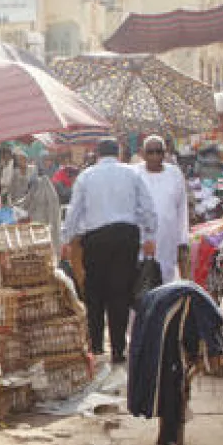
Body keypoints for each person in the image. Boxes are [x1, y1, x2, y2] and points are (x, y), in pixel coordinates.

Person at [62, 138, 158, 364]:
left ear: (97, 154)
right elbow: (147, 207)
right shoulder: (132, 174)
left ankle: (96, 345)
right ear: (119, 153)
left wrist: (66, 240)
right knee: (120, 292)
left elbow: (74, 211)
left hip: (96, 238)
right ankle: (118, 348)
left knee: (95, 291)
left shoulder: (86, 176)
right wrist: (150, 236)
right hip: (126, 237)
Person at [133, 135, 191, 283]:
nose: (155, 156)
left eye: (159, 151)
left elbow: (181, 208)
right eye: (150, 152)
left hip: (167, 238)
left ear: (165, 153)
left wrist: (182, 239)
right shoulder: (134, 174)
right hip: (141, 239)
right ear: (142, 153)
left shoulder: (174, 174)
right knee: (142, 282)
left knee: (166, 280)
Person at [16, 152, 64, 258]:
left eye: (50, 160)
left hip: (49, 215)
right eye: (46, 160)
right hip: (38, 217)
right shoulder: (35, 178)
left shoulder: (56, 174)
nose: (48, 162)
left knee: (48, 242)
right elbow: (29, 196)